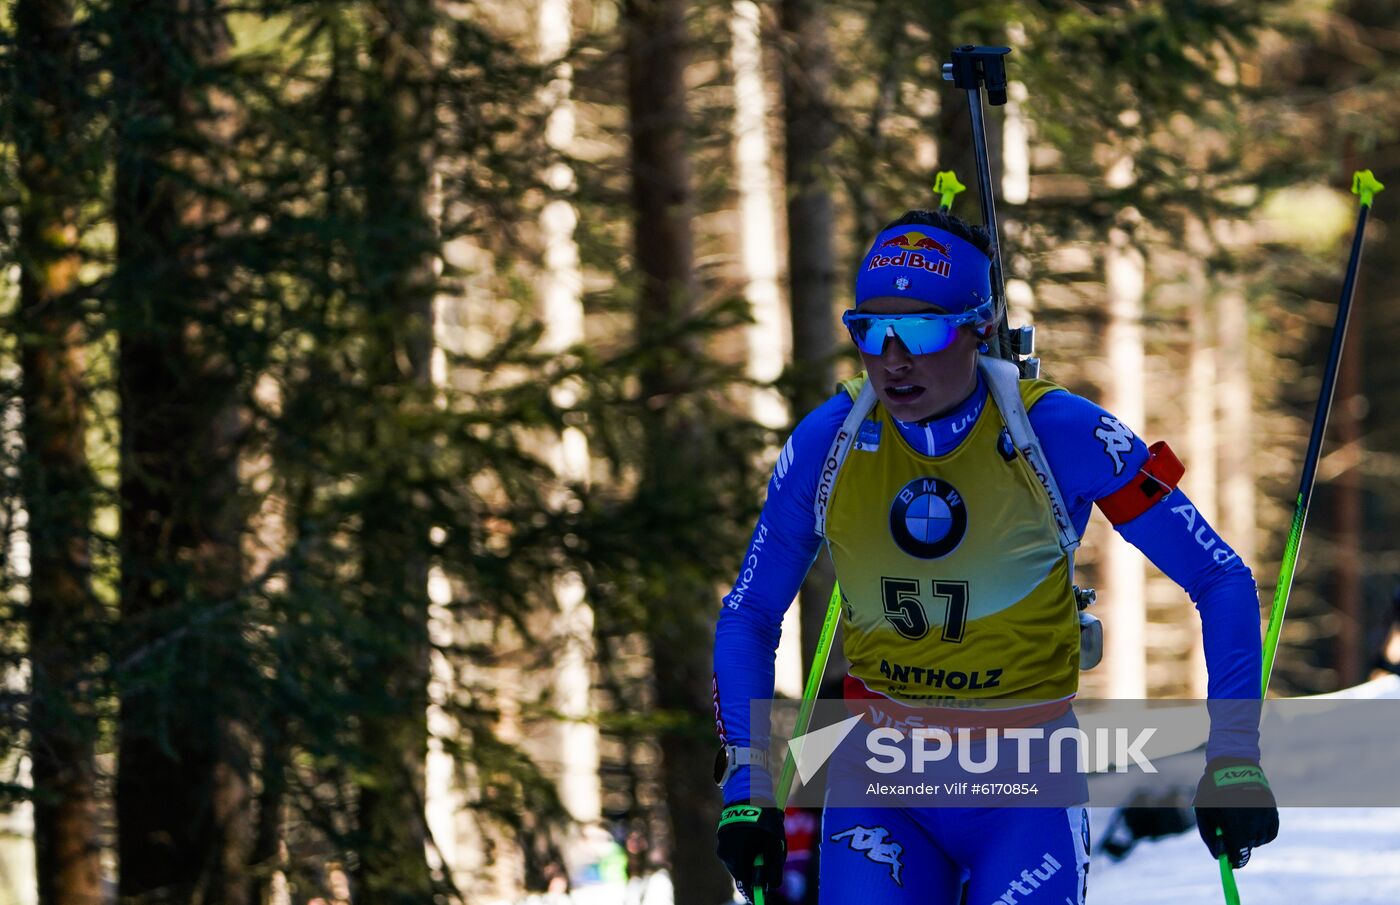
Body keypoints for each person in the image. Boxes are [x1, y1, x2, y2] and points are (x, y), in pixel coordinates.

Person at [711, 210, 1279, 904]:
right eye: (869, 329)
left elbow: (1219, 577)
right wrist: (747, 786)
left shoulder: (1059, 431)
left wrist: (1234, 757)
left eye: (921, 328)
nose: (893, 356)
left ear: (981, 326)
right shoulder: (828, 441)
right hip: (884, 782)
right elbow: (750, 610)